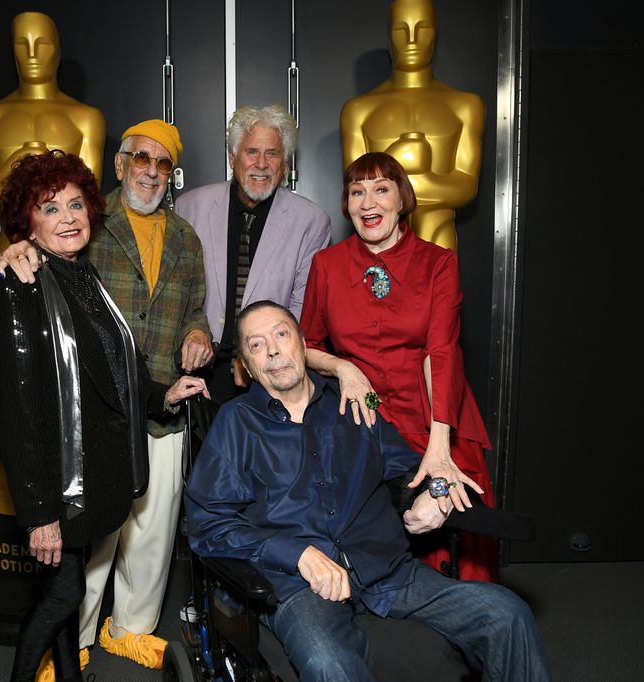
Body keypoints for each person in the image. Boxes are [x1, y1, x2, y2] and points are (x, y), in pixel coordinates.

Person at [184, 301, 550, 682]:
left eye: (281, 334)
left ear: (302, 342)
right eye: (256, 345)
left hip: (387, 571)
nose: (273, 350)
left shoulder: (354, 404)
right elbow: (208, 524)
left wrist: (434, 490)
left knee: (506, 613)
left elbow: (411, 469)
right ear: (245, 364)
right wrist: (296, 554)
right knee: (331, 665)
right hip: (299, 587)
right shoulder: (236, 423)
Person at [0, 120, 215, 670]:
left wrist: (168, 389)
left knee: (104, 566)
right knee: (67, 593)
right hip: (64, 466)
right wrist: (39, 512)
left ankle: (82, 663)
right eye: (50, 209)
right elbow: (18, 411)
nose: (68, 218)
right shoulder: (23, 277)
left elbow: (128, 355)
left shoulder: (87, 270)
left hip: (114, 446)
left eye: (74, 206)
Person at [300, 151, 497, 582]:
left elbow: (441, 351)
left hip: (436, 415)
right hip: (368, 421)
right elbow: (308, 346)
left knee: (457, 550)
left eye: (381, 189)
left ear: (402, 198)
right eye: (357, 192)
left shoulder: (439, 263)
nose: (368, 203)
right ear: (346, 203)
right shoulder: (327, 266)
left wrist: (439, 448)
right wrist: (342, 367)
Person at [175, 104, 331, 407]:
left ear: (284, 165)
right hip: (197, 371)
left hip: (269, 374)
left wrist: (254, 356)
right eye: (251, 152)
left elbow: (301, 309)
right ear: (233, 158)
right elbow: (178, 292)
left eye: (272, 154)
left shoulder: (311, 221)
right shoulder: (190, 208)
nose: (261, 163)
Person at [339, 0, 484, 250]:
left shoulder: (465, 106)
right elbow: (357, 189)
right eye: (400, 29)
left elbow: (466, 187)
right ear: (388, 36)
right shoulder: (359, 110)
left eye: (423, 28)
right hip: (377, 240)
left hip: (437, 232)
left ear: (435, 34)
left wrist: (391, 179)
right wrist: (421, 176)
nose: (412, 39)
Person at [0, 11, 106, 256]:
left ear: (57, 50)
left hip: (68, 251)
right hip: (10, 252)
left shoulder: (86, 118)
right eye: (22, 45)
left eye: (41, 44)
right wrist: (22, 156)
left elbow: (88, 199)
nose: (31, 55)